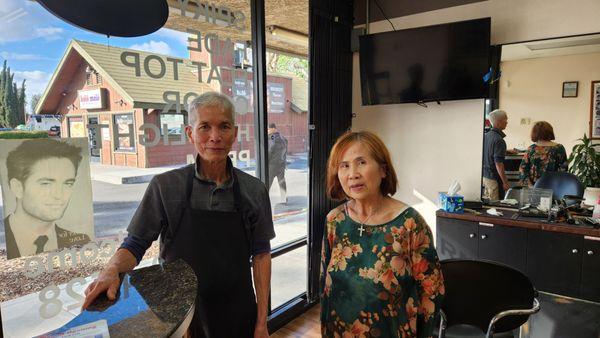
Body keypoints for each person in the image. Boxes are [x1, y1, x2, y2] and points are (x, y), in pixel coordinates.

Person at [83, 92, 275, 338]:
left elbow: (261, 255)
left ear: (235, 133)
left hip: (238, 311)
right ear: (190, 133)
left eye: (224, 127)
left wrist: (261, 322)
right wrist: (111, 269)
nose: (215, 137)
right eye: (204, 127)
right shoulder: (165, 187)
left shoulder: (254, 190)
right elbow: (136, 243)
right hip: (179, 317)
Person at [320, 131, 444, 337]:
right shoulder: (335, 220)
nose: (353, 174)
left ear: (383, 170)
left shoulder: (409, 224)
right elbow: (325, 287)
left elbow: (431, 292)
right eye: (344, 165)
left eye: (361, 162)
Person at [4, 139, 90, 259]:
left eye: (67, 183)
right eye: (46, 183)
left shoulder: (81, 241)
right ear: (17, 187)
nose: (58, 195)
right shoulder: (3, 239)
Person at [519, 121, 568, 187]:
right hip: (554, 187)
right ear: (550, 132)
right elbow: (563, 170)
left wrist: (530, 186)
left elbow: (523, 169)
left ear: (535, 133)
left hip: (534, 187)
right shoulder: (559, 148)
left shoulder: (531, 149)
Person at [482, 109, 510, 201]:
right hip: (493, 180)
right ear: (498, 122)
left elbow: (489, 153)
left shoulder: (486, 136)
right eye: (505, 120)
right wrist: (505, 182)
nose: (507, 122)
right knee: (495, 207)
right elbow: (499, 164)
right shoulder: (499, 140)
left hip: (485, 177)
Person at [267, 123, 287, 204]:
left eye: (268, 129)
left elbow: (270, 150)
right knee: (282, 182)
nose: (267, 131)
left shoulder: (272, 138)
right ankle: (284, 199)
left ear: (273, 129)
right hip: (281, 164)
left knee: (267, 184)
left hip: (272, 165)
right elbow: (285, 152)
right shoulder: (283, 138)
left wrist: (266, 161)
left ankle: (264, 200)